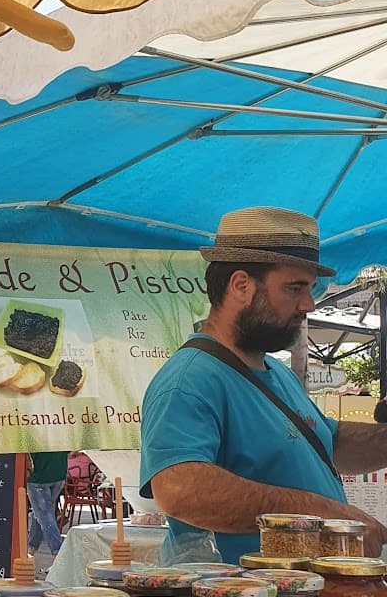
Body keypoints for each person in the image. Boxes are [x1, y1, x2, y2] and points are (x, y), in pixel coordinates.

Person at [141, 206, 387, 561]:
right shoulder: (190, 378)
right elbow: (180, 491)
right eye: (294, 288)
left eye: (310, 288)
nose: (309, 303)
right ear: (241, 285)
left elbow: (328, 441)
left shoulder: (276, 371)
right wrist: (326, 515)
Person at [26, 451, 67, 555]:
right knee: (41, 513)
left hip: (39, 476)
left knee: (45, 516)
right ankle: (31, 548)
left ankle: (59, 553)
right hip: (59, 472)